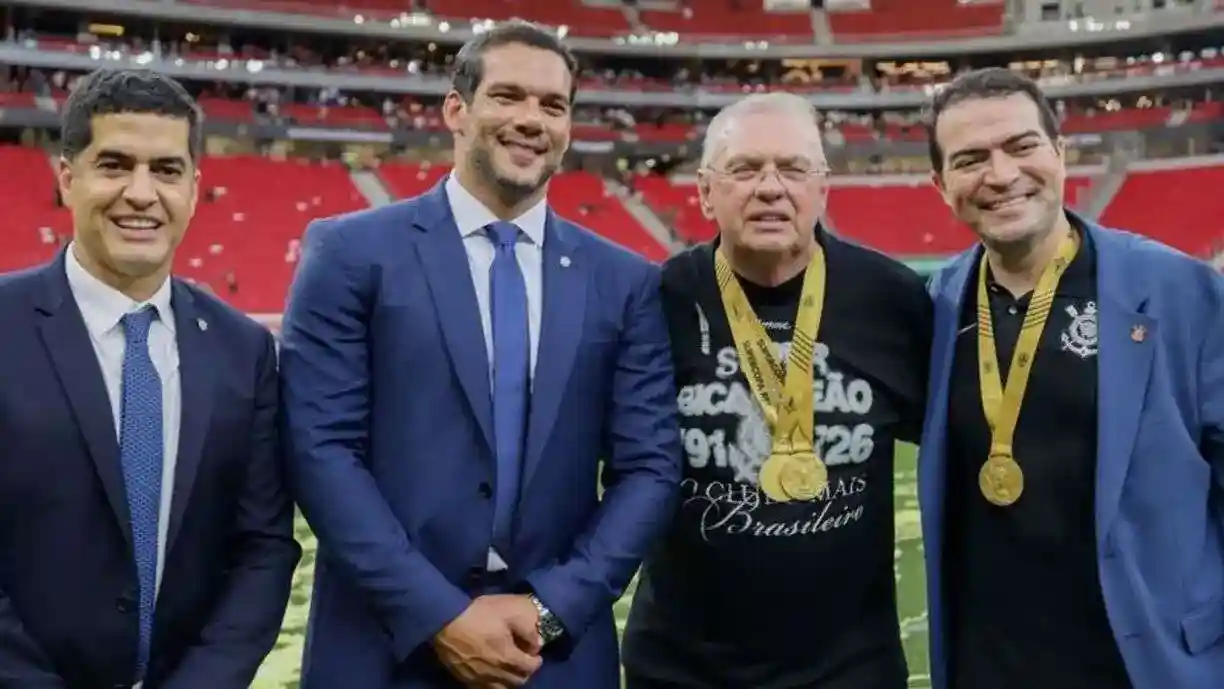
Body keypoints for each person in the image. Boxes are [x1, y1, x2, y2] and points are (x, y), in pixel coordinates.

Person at [279, 20, 683, 689]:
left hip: (552, 656)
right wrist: (440, 616)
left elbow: (649, 468)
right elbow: (320, 450)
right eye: (509, 96)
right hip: (386, 646)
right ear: (455, 109)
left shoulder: (625, 280)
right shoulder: (349, 253)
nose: (532, 119)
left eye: (553, 106)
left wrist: (552, 610)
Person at [919, 67, 1224, 689]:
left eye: (1022, 146)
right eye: (970, 158)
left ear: (1060, 154)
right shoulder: (936, 303)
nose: (1001, 175)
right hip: (990, 665)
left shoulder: (1179, 291)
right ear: (940, 184)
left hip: (1143, 662)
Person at [0, 68, 301, 688]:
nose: (141, 193)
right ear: (67, 178)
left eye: (165, 170)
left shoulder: (243, 351)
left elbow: (263, 548)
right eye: (114, 165)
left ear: (194, 187)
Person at [622, 93, 933, 689]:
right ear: (706, 191)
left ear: (823, 188)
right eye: (744, 169)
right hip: (680, 669)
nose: (770, 188)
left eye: (793, 169)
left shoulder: (892, 300)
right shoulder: (655, 302)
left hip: (850, 670)